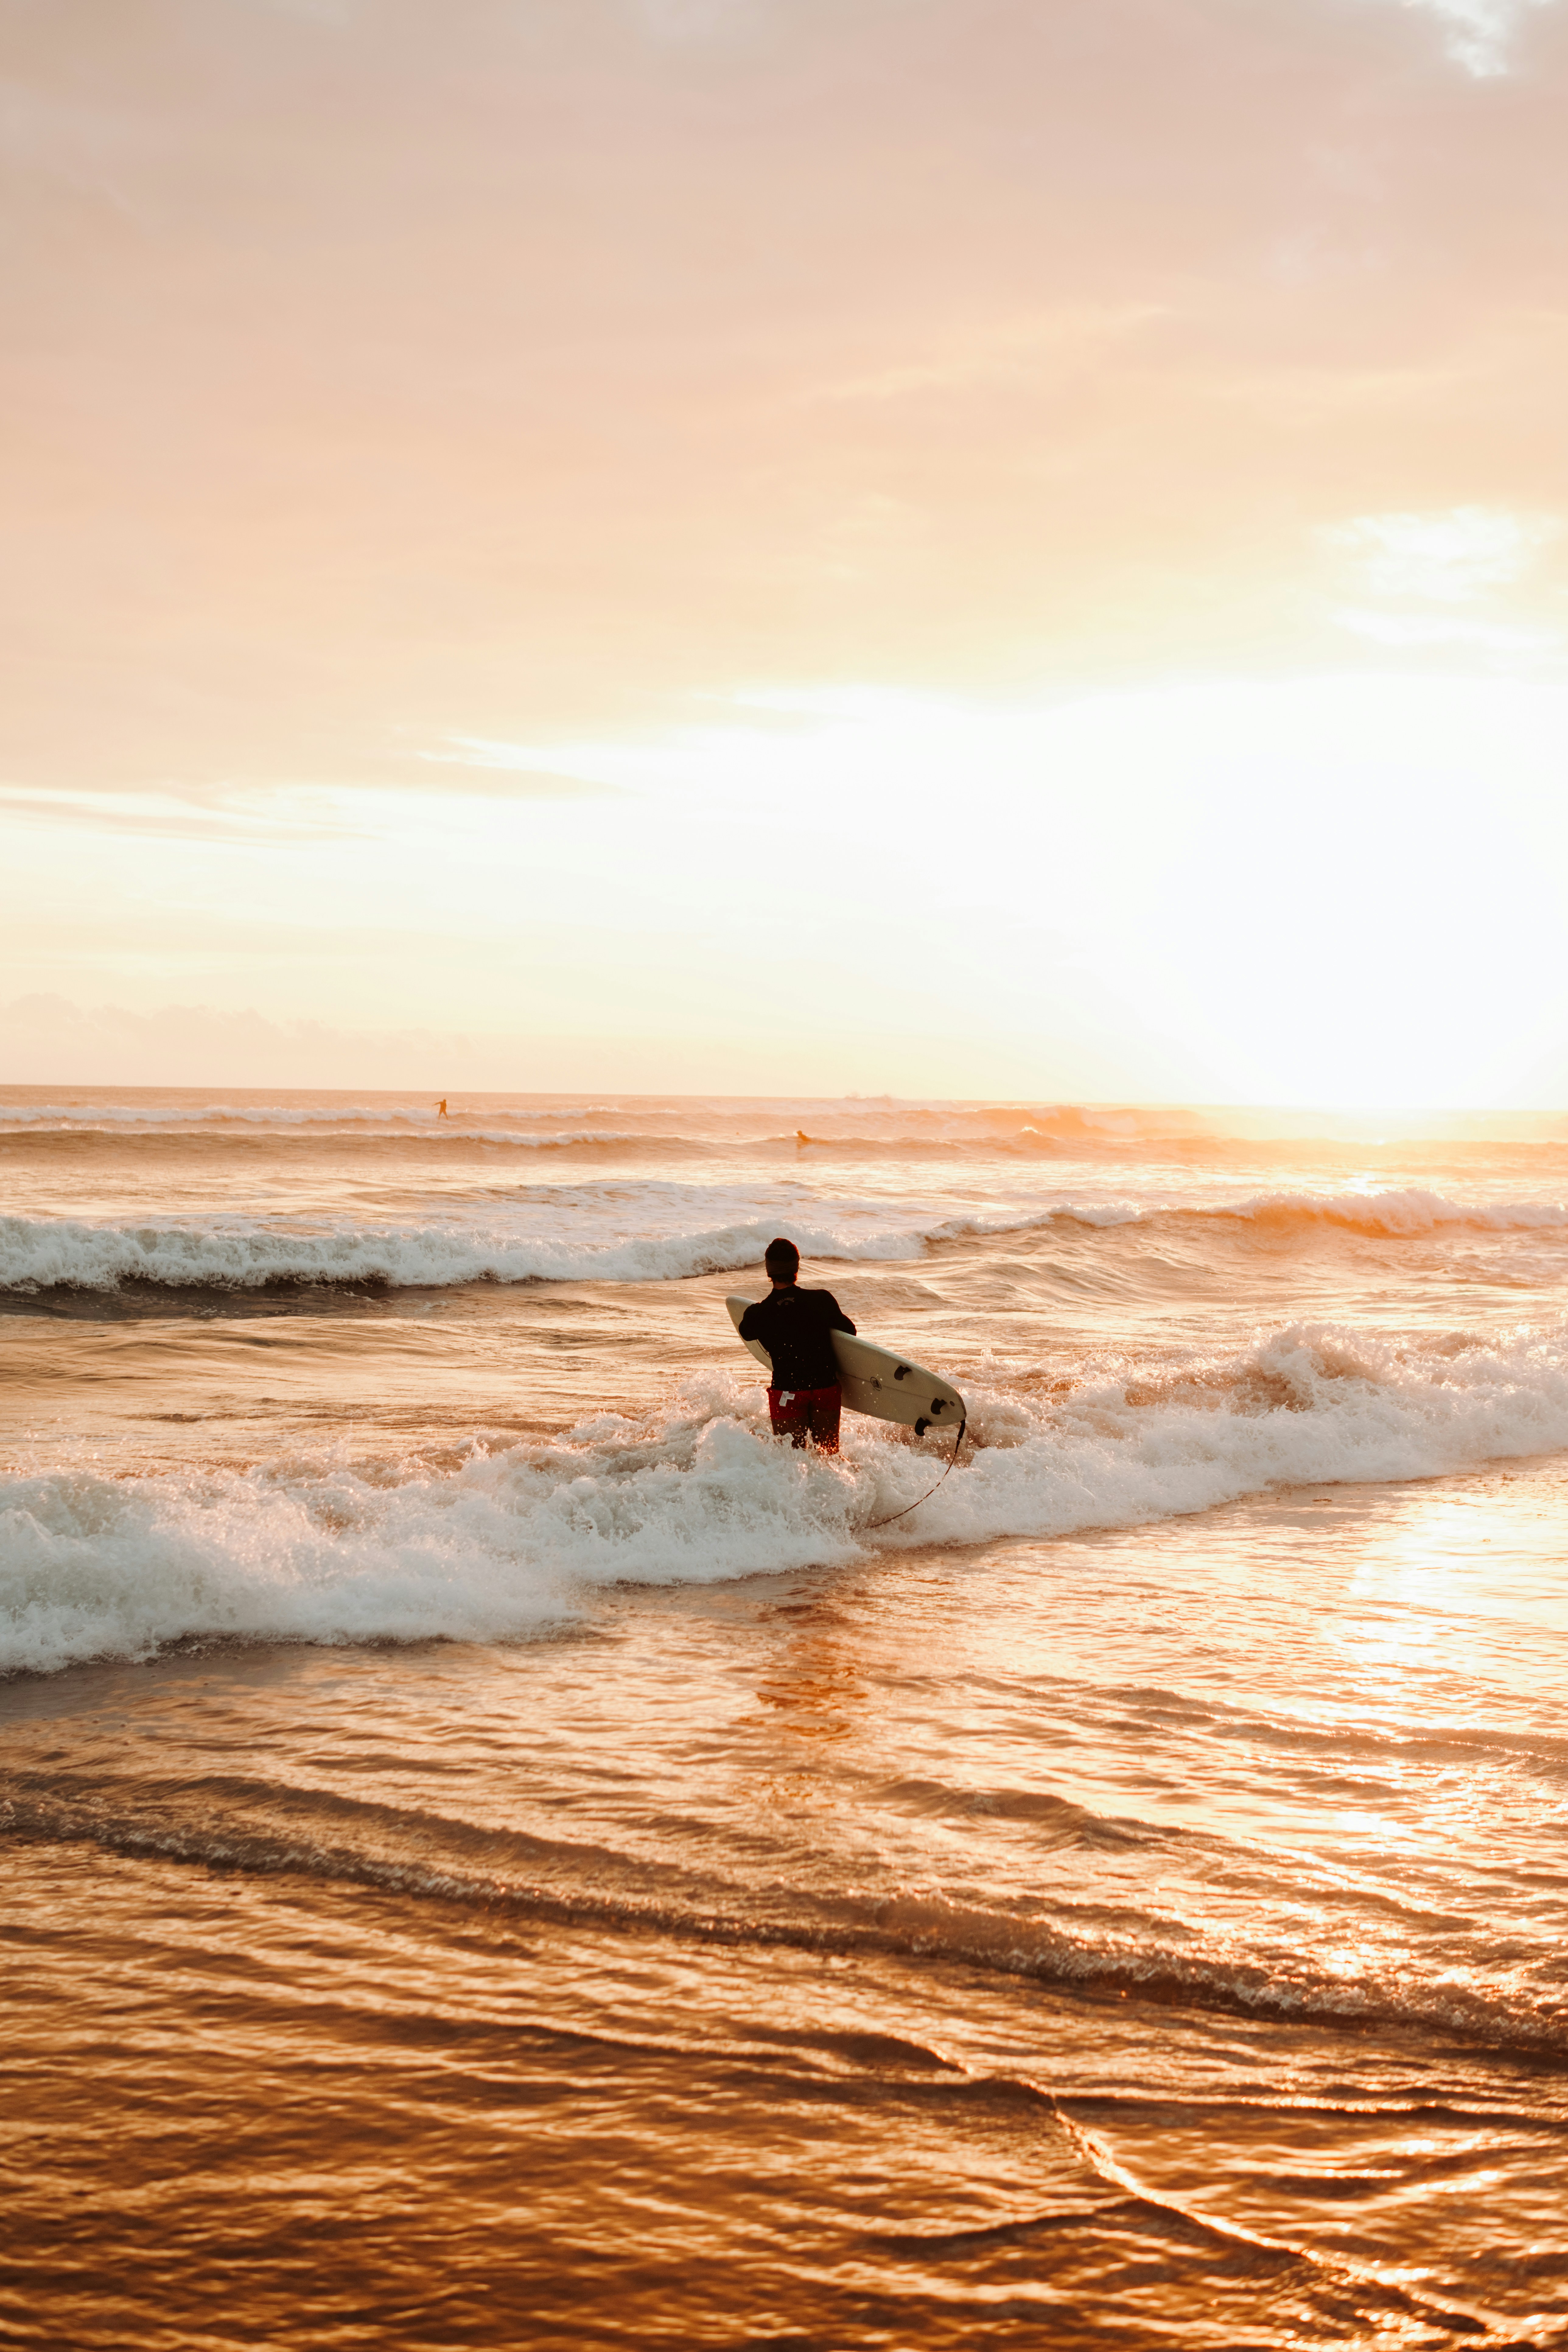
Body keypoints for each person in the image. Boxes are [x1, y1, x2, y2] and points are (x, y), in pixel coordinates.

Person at [740, 1237, 856, 1453]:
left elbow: (746, 1333)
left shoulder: (759, 1313)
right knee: (829, 1455)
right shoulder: (822, 1300)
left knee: (791, 1461)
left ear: (769, 1271)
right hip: (825, 1388)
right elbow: (850, 1333)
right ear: (796, 1267)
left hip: (787, 1392)